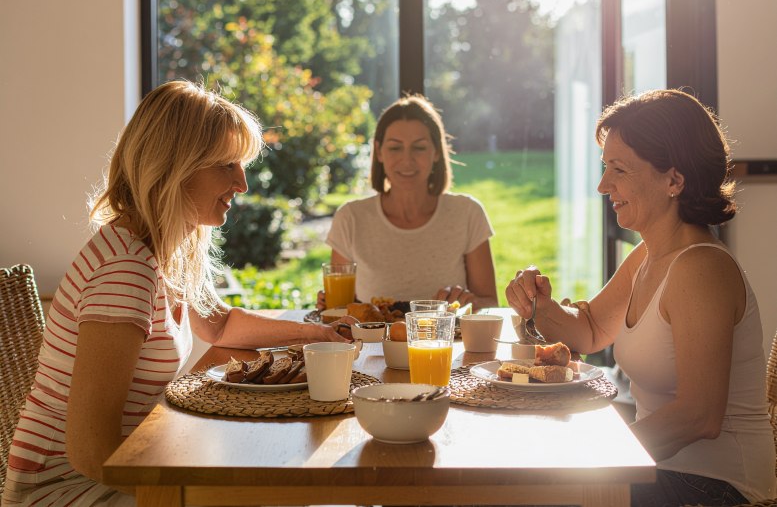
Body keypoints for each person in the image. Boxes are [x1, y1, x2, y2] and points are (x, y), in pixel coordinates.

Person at [2, 80, 354, 507]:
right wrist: (203, 488)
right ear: (174, 167)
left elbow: (221, 327)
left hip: (124, 465)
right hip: (65, 491)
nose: (241, 184)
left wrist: (319, 336)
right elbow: (89, 452)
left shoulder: (164, 248)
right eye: (227, 165)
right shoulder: (125, 269)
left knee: (241, 372)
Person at [506, 89, 775, 506]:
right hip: (662, 471)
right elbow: (591, 330)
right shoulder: (649, 255)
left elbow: (699, 415)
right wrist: (536, 302)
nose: (602, 185)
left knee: (521, 493)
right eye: (604, 168)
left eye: (619, 170)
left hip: (715, 488)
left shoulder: (701, 269)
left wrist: (592, 455)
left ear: (674, 179)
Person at [318, 94, 498, 311]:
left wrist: (467, 301)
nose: (407, 160)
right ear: (380, 151)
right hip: (372, 345)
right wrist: (329, 306)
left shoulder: (468, 213)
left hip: (445, 343)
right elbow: (340, 309)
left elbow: (491, 304)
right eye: (395, 148)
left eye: (419, 147)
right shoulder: (350, 218)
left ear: (436, 152)